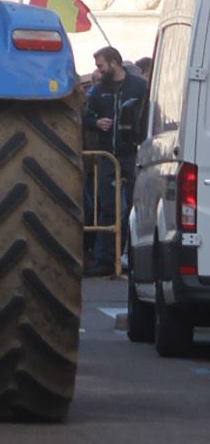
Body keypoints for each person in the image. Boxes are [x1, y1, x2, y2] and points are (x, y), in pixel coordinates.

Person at [84, 46, 148, 274]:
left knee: (134, 207)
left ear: (114, 63)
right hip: (107, 156)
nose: (98, 70)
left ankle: (133, 259)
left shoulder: (140, 88)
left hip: (132, 156)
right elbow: (86, 115)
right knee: (107, 208)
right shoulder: (99, 90)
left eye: (100, 65)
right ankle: (106, 261)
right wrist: (96, 123)